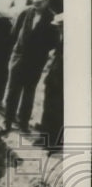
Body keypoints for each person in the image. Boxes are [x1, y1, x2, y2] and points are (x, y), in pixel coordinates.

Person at [3, 0, 59, 133]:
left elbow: (53, 42)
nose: (36, 4)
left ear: (47, 1)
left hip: (36, 62)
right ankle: (7, 121)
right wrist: (14, 54)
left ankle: (23, 122)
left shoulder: (52, 18)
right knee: (12, 91)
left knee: (29, 92)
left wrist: (41, 53)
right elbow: (14, 34)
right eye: (34, 0)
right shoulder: (25, 13)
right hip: (18, 57)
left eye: (40, 1)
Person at [38, 15, 64, 149]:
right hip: (53, 79)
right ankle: (44, 138)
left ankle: (55, 142)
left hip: (62, 82)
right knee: (47, 108)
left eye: (61, 26)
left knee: (58, 111)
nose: (59, 29)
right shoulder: (61, 38)